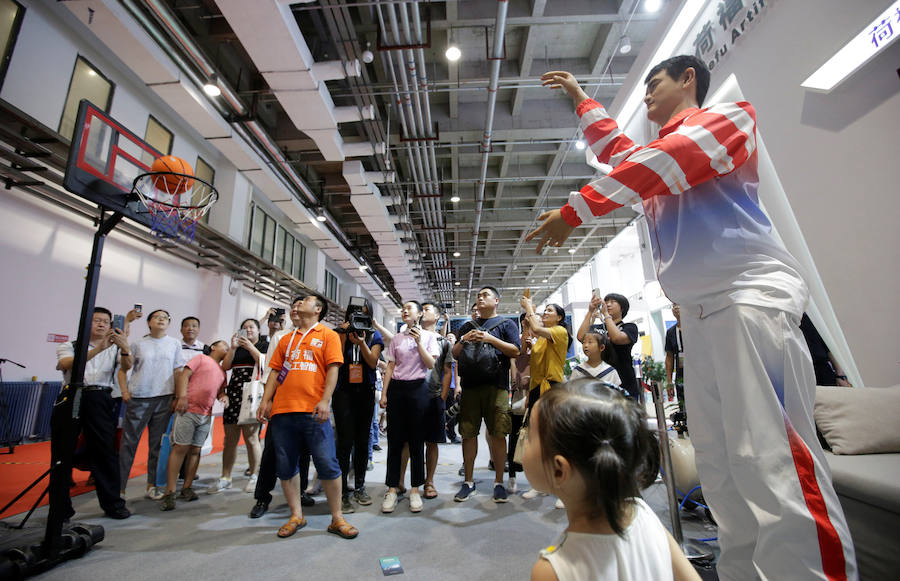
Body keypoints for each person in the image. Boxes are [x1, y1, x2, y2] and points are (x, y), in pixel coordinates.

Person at [529, 60, 855, 579]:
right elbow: (620, 151)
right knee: (724, 474)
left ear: (688, 80)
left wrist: (575, 211)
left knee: (776, 467)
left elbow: (662, 161)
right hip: (702, 318)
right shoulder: (655, 156)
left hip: (745, 299)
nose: (646, 99)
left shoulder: (728, 120)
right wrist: (579, 97)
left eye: (653, 85)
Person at [524, 378, 699, 581]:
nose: (525, 443)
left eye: (529, 437)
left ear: (559, 470)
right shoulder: (643, 513)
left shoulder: (552, 570)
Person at [257, 293, 357, 539]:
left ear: (318, 309)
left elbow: (333, 371)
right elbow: (274, 373)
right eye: (297, 302)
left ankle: (337, 518)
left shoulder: (328, 336)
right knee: (287, 465)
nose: (299, 304)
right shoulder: (285, 340)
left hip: (314, 410)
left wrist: (325, 400)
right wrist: (266, 400)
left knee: (327, 463)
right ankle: (296, 515)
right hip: (283, 412)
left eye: (306, 301)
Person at [56, 307, 132, 520]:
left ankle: (113, 504)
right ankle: (60, 508)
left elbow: (126, 367)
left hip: (99, 398)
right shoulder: (70, 345)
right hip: (72, 395)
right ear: (85, 323)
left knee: (105, 452)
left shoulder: (115, 349)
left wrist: (125, 347)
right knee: (63, 451)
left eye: (105, 322)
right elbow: (66, 364)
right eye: (96, 320)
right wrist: (99, 348)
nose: (101, 324)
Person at [452, 286, 520, 503]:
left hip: (497, 386)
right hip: (470, 387)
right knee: (468, 434)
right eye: (478, 296)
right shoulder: (466, 326)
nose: (480, 299)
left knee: (499, 434)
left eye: (485, 296)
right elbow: (454, 354)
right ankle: (468, 482)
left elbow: (515, 351)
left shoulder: (507, 324)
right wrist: (464, 340)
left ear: (497, 301)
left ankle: (498, 482)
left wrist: (490, 339)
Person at [249, 304, 314, 518]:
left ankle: (301, 491)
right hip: (281, 401)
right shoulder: (281, 337)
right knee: (272, 451)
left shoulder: (317, 336)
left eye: (300, 306)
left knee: (303, 451)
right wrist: (267, 400)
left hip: (306, 403)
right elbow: (271, 370)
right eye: (293, 307)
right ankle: (262, 496)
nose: (296, 310)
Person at [379, 300, 440, 514]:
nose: (405, 310)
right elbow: (390, 366)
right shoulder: (396, 339)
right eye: (403, 308)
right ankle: (392, 489)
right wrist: (385, 393)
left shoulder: (430, 337)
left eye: (410, 308)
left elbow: (431, 364)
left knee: (416, 441)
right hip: (396, 390)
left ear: (419, 314)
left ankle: (415, 489)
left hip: (418, 390)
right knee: (395, 440)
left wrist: (419, 342)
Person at [119, 309, 184, 500]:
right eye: (157, 317)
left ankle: (151, 485)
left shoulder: (174, 344)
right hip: (139, 397)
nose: (162, 319)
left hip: (164, 398)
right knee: (129, 444)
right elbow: (123, 369)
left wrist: (178, 396)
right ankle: (120, 488)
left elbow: (178, 370)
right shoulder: (138, 344)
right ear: (149, 322)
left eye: (165, 317)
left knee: (156, 445)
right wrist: (124, 391)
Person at [159, 340, 228, 511]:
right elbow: (184, 375)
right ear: (213, 347)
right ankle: (170, 491)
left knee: (196, 450)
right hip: (188, 410)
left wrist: (223, 396)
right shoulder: (200, 359)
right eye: (224, 346)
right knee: (180, 448)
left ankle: (187, 487)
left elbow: (220, 390)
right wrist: (181, 397)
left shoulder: (222, 372)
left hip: (205, 415)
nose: (227, 349)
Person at [334, 299, 384, 513]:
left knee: (363, 441)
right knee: (344, 442)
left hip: (365, 392)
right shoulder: (338, 333)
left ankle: (360, 486)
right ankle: (342, 490)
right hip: (343, 392)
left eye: (362, 314)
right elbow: (335, 359)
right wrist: (345, 336)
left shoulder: (374, 334)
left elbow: (373, 362)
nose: (357, 318)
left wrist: (361, 341)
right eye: (354, 313)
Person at [520, 297, 571, 505]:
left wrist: (530, 308)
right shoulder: (540, 338)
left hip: (552, 388)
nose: (546, 312)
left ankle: (563, 489)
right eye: (545, 310)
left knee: (556, 437)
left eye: (550, 311)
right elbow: (527, 356)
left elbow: (537, 328)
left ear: (559, 317)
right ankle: (541, 483)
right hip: (536, 389)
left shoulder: (559, 332)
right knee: (538, 437)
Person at [211, 318, 267, 494]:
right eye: (244, 328)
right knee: (230, 439)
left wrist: (250, 346)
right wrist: (234, 347)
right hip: (234, 393)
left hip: (253, 393)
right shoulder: (236, 347)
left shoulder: (264, 345)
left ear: (258, 330)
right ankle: (225, 477)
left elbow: (264, 363)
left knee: (251, 437)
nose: (248, 330)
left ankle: (254, 475)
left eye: (251, 327)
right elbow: (226, 366)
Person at [507, 313, 533, 494]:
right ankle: (512, 475)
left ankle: (537, 478)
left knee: (538, 438)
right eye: (526, 320)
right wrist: (514, 379)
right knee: (515, 435)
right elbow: (514, 359)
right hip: (519, 393)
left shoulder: (545, 338)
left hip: (540, 392)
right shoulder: (517, 340)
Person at [799, 313, 852, 387]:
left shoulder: (810, 317)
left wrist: (839, 374)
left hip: (823, 368)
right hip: (804, 371)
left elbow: (826, 345)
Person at [664, 305, 686, 411]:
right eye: (673, 306)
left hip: (699, 372)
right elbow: (669, 357)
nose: (676, 308)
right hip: (681, 374)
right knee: (683, 404)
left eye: (679, 304)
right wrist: (669, 382)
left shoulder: (695, 327)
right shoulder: (671, 332)